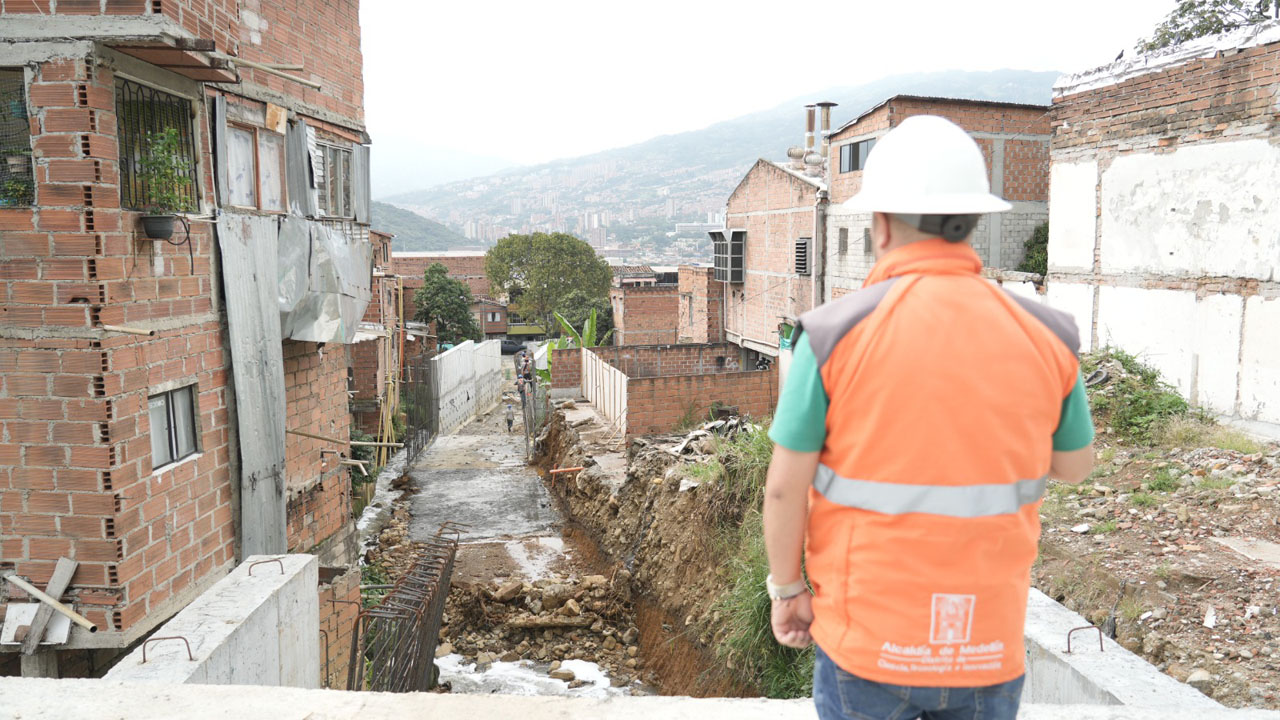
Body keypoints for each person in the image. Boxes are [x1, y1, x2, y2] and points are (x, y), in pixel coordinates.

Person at [762, 115, 1096, 720]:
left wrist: (788, 591)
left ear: (881, 222)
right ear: (972, 222)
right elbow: (1073, 466)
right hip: (986, 648)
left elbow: (785, 489)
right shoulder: (1048, 333)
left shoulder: (831, 336)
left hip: (867, 648)